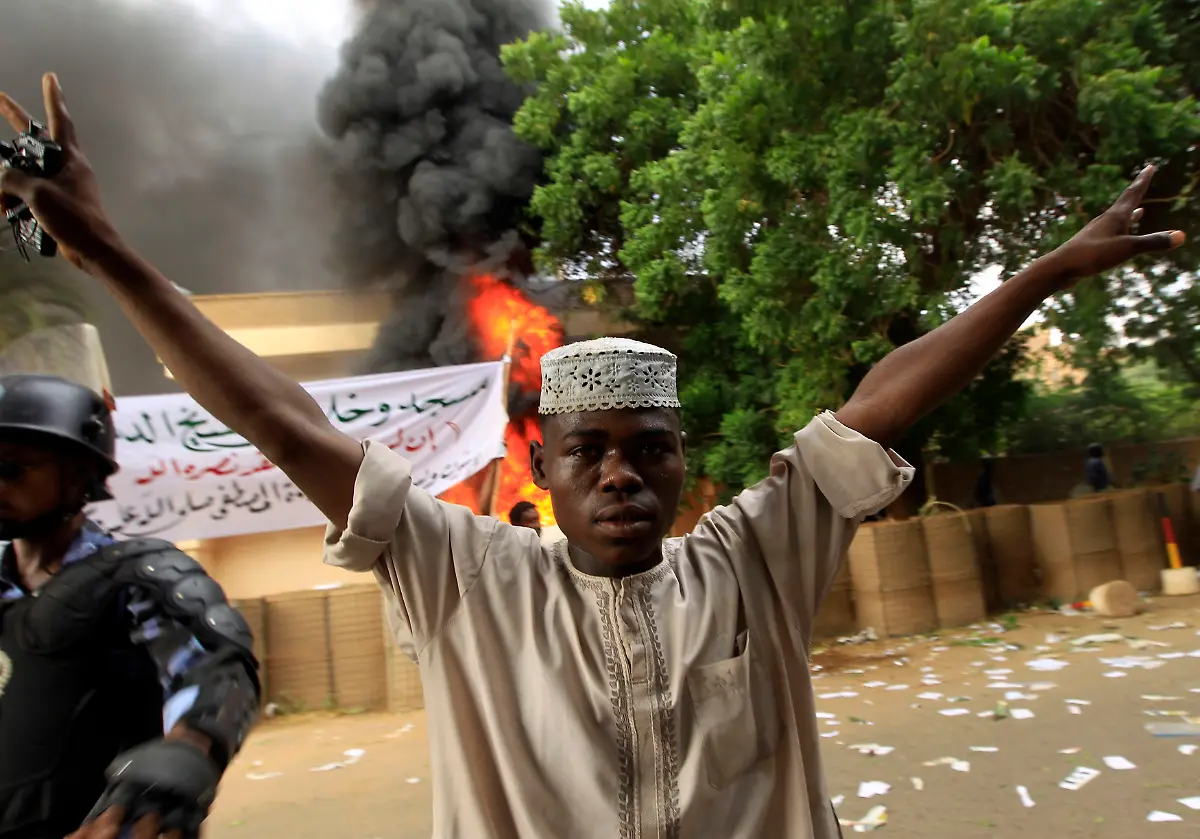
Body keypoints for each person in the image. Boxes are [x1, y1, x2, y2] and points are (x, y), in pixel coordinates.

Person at [0, 72, 1184, 839]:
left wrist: (1037, 275)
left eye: (648, 451)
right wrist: (109, 254)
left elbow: (880, 403)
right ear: (546, 465)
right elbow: (283, 421)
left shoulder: (755, 558)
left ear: (682, 463)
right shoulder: (466, 575)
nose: (621, 473)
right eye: (591, 453)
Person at [0, 372, 260, 839]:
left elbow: (218, 668)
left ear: (77, 472)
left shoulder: (138, 575)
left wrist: (183, 755)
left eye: (11, 468)